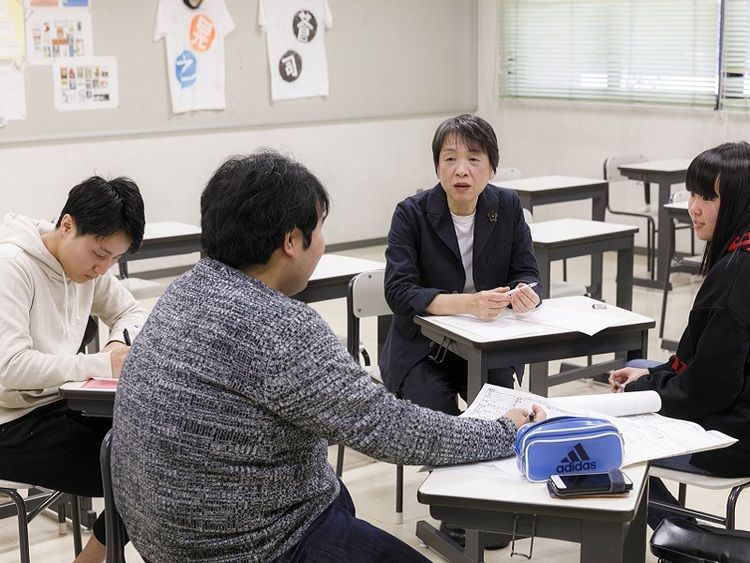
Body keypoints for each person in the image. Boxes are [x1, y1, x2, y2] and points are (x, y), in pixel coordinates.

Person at [110, 149, 546, 563]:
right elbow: (387, 428)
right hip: (250, 543)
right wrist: (501, 432)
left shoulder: (183, 290)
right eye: (319, 228)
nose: (324, 240)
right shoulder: (280, 327)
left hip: (165, 534)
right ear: (291, 241)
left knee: (337, 494)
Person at [0, 176, 147, 563]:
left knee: (164, 447)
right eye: (99, 254)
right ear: (67, 225)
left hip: (58, 405)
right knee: (139, 473)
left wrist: (117, 345)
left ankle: (91, 556)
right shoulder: (12, 266)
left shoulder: (85, 268)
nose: (103, 268)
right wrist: (101, 363)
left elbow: (131, 310)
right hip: (11, 422)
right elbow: (9, 369)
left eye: (115, 259)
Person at [609, 141, 750, 529]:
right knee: (639, 364)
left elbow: (708, 390)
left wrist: (642, 393)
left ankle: (683, 538)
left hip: (732, 440)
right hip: (735, 408)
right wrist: (654, 376)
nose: (693, 207)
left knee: (605, 440)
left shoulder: (736, 274)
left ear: (740, 202)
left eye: (707, 197)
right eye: (692, 193)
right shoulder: (741, 254)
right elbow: (711, 364)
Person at [381, 113, 542, 416]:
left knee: (502, 419)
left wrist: (526, 294)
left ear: (492, 168)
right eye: (450, 159)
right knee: (440, 429)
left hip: (486, 344)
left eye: (474, 159)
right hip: (424, 350)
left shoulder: (507, 205)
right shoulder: (410, 214)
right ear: (437, 167)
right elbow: (399, 292)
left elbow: (527, 272)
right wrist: (469, 303)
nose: (461, 171)